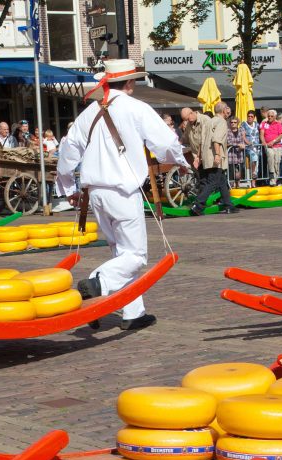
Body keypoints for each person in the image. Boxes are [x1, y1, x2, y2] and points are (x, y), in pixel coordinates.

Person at [56, 58, 189, 331]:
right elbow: (165, 143)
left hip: (95, 193)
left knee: (120, 252)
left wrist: (68, 188)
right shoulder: (136, 108)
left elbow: (68, 152)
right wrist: (182, 162)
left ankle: (133, 312)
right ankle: (97, 285)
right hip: (122, 191)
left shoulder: (89, 113)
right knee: (136, 256)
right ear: (130, 83)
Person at [190, 102, 234, 215]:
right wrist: (218, 155)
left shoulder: (208, 121)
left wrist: (198, 157)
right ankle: (198, 206)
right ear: (224, 111)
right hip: (214, 156)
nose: (228, 112)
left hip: (206, 156)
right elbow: (216, 139)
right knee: (212, 182)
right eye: (227, 109)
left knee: (222, 181)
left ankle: (229, 205)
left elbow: (201, 141)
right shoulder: (221, 122)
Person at [260, 109, 282, 186]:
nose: (270, 117)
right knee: (270, 156)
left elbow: (280, 136)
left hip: (277, 145)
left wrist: (273, 141)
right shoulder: (264, 123)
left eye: (271, 116)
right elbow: (261, 134)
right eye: (269, 116)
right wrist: (264, 142)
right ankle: (271, 176)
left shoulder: (278, 124)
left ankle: (275, 179)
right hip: (268, 146)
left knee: (277, 162)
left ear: (275, 117)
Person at [240, 110, 260, 183]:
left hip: (257, 147)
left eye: (252, 116)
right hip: (248, 147)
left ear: (254, 117)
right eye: (249, 116)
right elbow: (243, 136)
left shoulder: (257, 124)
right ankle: (253, 176)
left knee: (257, 162)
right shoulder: (243, 124)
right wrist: (248, 143)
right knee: (254, 157)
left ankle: (253, 181)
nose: (250, 118)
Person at [226, 117, 246, 186]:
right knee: (231, 171)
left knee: (239, 171)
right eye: (232, 122)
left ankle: (238, 184)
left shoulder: (241, 130)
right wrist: (238, 145)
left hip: (239, 155)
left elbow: (242, 141)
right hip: (230, 155)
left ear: (237, 123)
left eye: (235, 122)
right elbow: (228, 142)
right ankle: (231, 185)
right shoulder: (227, 131)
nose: (233, 124)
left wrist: (241, 146)